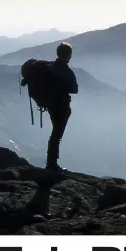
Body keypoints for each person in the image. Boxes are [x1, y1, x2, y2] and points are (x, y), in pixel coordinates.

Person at [22, 42, 78, 172]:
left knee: (55, 134)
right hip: (61, 107)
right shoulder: (66, 71)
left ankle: (51, 163)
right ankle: (51, 164)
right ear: (69, 55)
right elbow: (74, 90)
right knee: (56, 135)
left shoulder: (45, 66)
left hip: (50, 105)